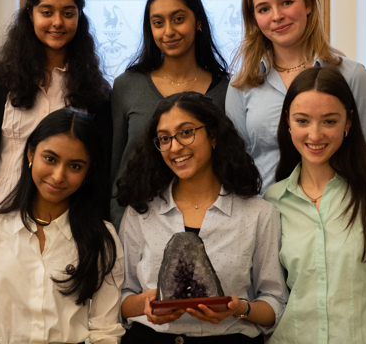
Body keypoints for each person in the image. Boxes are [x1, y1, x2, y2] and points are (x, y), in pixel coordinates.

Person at [0, 0, 112, 287]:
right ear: (30, 15)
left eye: (68, 13)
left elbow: (99, 174)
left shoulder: (96, 92)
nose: (58, 22)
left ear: (80, 17)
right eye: (46, 12)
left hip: (68, 233)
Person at [264, 67, 366, 344]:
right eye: (303, 121)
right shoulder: (274, 200)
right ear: (288, 123)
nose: (315, 135)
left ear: (348, 122)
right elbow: (272, 299)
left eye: (329, 121)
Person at [115, 92, 288, 344]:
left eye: (186, 132)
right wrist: (144, 304)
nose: (174, 147)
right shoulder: (141, 211)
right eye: (164, 138)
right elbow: (120, 298)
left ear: (214, 136)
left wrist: (241, 308)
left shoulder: (258, 214)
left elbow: (275, 302)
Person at [0, 109, 124, 344]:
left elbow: (105, 332)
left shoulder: (102, 238)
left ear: (88, 172)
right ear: (31, 153)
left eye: (75, 166)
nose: (58, 176)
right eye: (50, 159)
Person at [226, 0, 366, 191]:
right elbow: (236, 164)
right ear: (254, 19)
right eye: (264, 9)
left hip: (333, 216)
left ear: (307, 4)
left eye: (286, 2)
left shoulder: (352, 76)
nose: (277, 16)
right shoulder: (242, 85)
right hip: (265, 216)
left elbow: (363, 157)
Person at [110, 0, 230, 228]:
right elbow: (115, 167)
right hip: (136, 223)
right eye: (158, 23)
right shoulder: (126, 86)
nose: (168, 31)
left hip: (209, 224)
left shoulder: (227, 90)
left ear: (198, 22)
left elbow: (231, 163)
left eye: (178, 19)